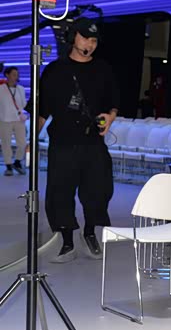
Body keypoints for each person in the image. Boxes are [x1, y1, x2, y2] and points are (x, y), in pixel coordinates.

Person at [29, 18, 119, 262]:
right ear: (72, 38)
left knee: (99, 190)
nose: (90, 44)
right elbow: (41, 111)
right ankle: (67, 241)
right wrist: (31, 140)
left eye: (94, 40)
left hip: (93, 142)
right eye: (85, 38)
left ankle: (89, 233)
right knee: (60, 192)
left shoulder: (103, 69)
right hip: (63, 142)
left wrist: (110, 117)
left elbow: (113, 102)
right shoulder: (54, 71)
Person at [0, 66, 28, 176]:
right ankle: (8, 166)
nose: (16, 76)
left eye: (17, 74)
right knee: (6, 143)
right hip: (4, 119)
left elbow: (24, 104)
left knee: (22, 143)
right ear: (7, 75)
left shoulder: (20, 88)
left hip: (18, 119)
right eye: (14, 74)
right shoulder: (1, 88)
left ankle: (17, 162)